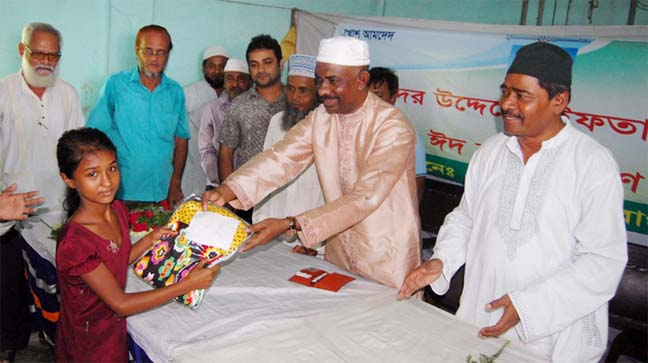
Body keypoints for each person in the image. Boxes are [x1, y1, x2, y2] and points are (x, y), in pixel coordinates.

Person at [397, 42, 627, 362]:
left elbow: (603, 261)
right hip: (480, 318)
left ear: (559, 101)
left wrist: (529, 306)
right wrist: (442, 261)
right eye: (505, 91)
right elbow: (466, 218)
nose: (506, 104)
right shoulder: (490, 152)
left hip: (551, 335)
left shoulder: (592, 165)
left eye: (522, 95)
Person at [203, 36, 421, 289]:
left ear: (362, 80)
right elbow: (281, 157)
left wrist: (292, 224)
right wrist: (228, 190)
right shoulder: (323, 118)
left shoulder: (392, 127)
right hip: (339, 252)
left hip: (385, 255)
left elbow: (365, 197)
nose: (323, 90)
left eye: (333, 81)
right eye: (319, 80)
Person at [55, 127, 219, 362]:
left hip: (113, 330)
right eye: (92, 174)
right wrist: (186, 285)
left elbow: (116, 260)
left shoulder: (117, 210)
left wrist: (150, 240)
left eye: (112, 168)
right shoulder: (75, 242)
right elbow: (120, 304)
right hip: (89, 342)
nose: (107, 182)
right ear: (68, 179)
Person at [0, 22, 84, 361]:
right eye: (39, 53)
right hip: (8, 213)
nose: (46, 61)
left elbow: (78, 150)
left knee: (54, 283)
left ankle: (54, 340)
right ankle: (8, 347)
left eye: (53, 54)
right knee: (9, 289)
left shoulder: (67, 93)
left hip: (56, 210)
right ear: (22, 51)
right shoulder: (3, 92)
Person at [88, 24, 190, 206]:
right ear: (137, 51)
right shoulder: (116, 85)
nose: (154, 58)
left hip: (163, 190)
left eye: (161, 52)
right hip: (122, 191)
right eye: (148, 51)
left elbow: (181, 140)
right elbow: (96, 135)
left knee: (160, 234)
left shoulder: (175, 92)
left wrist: (175, 182)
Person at [252, 54, 324, 256]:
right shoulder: (277, 122)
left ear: (318, 92)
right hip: (275, 233)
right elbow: (266, 175)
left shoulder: (329, 127)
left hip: (311, 241)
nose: (295, 97)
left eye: (303, 91)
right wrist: (261, 221)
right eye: (290, 89)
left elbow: (332, 194)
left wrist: (316, 241)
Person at [218, 34, 287, 222]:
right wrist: (229, 194)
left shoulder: (296, 102)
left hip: (287, 194)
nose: (261, 69)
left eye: (267, 62)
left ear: (280, 64)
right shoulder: (238, 105)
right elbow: (225, 152)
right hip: (247, 196)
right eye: (254, 64)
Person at [368, 67, 427, 202]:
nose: (371, 102)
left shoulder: (408, 133)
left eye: (378, 96)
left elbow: (418, 183)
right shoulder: (356, 127)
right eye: (368, 96)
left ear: (393, 96)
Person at [182, 45, 229, 196]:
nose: (217, 71)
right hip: (192, 163)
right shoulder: (188, 92)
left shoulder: (232, 96)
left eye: (222, 66)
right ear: (203, 68)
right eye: (212, 66)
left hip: (222, 168)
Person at [198, 59, 251, 188]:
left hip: (251, 186)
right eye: (230, 78)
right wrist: (224, 180)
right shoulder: (211, 108)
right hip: (218, 185)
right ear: (224, 82)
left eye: (241, 79)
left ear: (250, 82)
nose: (235, 84)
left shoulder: (258, 108)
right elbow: (206, 150)